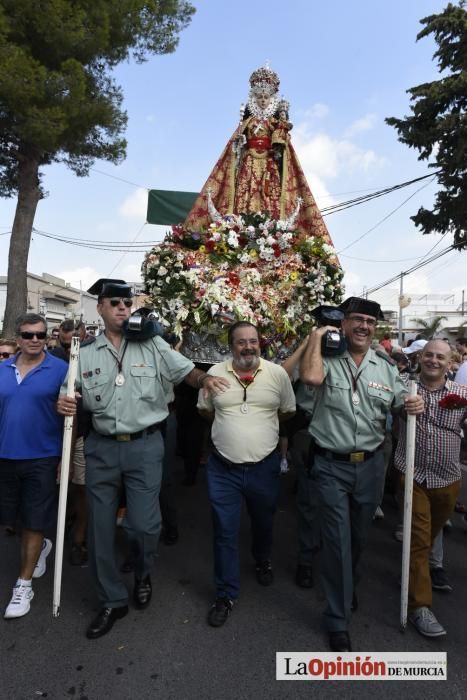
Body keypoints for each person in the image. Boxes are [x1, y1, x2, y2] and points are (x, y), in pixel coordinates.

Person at [57, 279, 228, 639]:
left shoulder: (153, 344)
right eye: (115, 302)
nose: (123, 307)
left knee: (144, 526)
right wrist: (65, 403)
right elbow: (69, 398)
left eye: (127, 302)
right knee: (101, 530)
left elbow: (188, 372)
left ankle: (142, 569)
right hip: (102, 447)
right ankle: (111, 601)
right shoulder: (82, 353)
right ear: (101, 308)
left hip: (146, 446)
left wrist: (206, 381)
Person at [300, 296, 424, 652]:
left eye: (370, 323)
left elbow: (404, 403)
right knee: (338, 541)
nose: (364, 327)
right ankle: (337, 617)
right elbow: (309, 377)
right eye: (356, 320)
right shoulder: (324, 357)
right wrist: (317, 334)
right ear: (343, 323)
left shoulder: (385, 367)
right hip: (330, 466)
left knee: (358, 537)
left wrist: (413, 404)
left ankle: (346, 586)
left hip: (370, 466)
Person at [197, 321, 296, 627]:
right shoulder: (214, 375)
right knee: (224, 531)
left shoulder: (277, 374)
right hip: (222, 469)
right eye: (241, 342)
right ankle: (225, 593)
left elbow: (287, 411)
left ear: (260, 343)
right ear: (231, 346)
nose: (248, 346)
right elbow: (206, 411)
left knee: (263, 521)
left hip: (263, 468)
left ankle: (262, 559)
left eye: (253, 341)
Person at [184, 65, 331, 242]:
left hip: (269, 164)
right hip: (249, 162)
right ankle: (243, 227)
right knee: (244, 191)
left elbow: (282, 143)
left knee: (269, 195)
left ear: (271, 100)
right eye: (259, 97)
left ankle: (269, 229)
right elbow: (236, 143)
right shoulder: (248, 122)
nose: (263, 100)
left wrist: (280, 135)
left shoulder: (275, 122)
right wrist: (239, 145)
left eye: (266, 97)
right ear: (254, 98)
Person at [394, 340, 467, 637]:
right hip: (412, 476)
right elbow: (391, 407)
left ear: (452, 363)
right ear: (420, 357)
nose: (434, 360)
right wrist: (402, 408)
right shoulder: (404, 387)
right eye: (429, 355)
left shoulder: (462, 395)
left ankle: (414, 574)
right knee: (419, 540)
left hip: (447, 479)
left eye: (441, 357)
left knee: (430, 536)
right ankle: (419, 606)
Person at [0, 314, 68, 618]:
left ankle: (23, 584)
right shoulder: (2, 369)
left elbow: (72, 417)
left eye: (40, 335)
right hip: (5, 457)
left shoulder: (62, 369)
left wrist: (64, 458)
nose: (35, 340)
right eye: (28, 335)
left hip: (42, 457)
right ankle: (40, 547)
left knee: (33, 521)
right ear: (18, 338)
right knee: (11, 519)